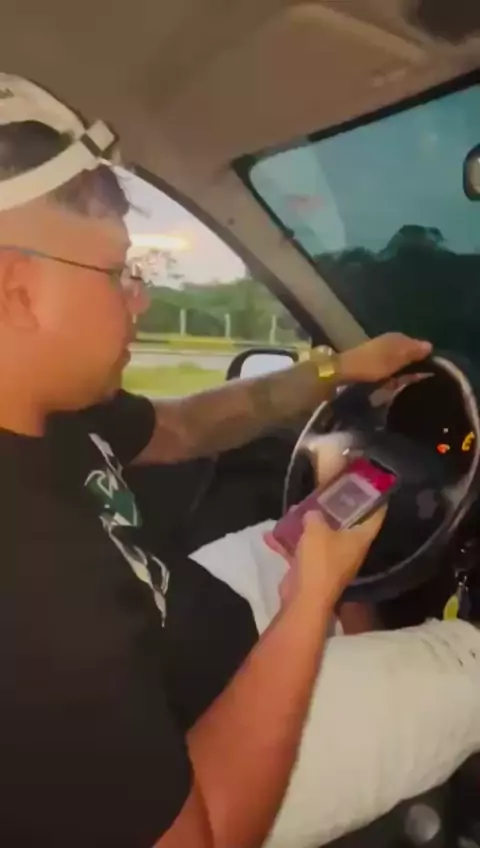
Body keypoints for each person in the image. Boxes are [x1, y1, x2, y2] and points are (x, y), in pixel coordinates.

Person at [0, 73, 480, 848]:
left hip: (178, 637)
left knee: (298, 543)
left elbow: (184, 427)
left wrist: (336, 371)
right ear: (15, 288)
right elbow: (196, 837)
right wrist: (312, 599)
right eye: (118, 271)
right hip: (198, 764)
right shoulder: (25, 587)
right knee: (470, 663)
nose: (140, 298)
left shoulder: (52, 409)